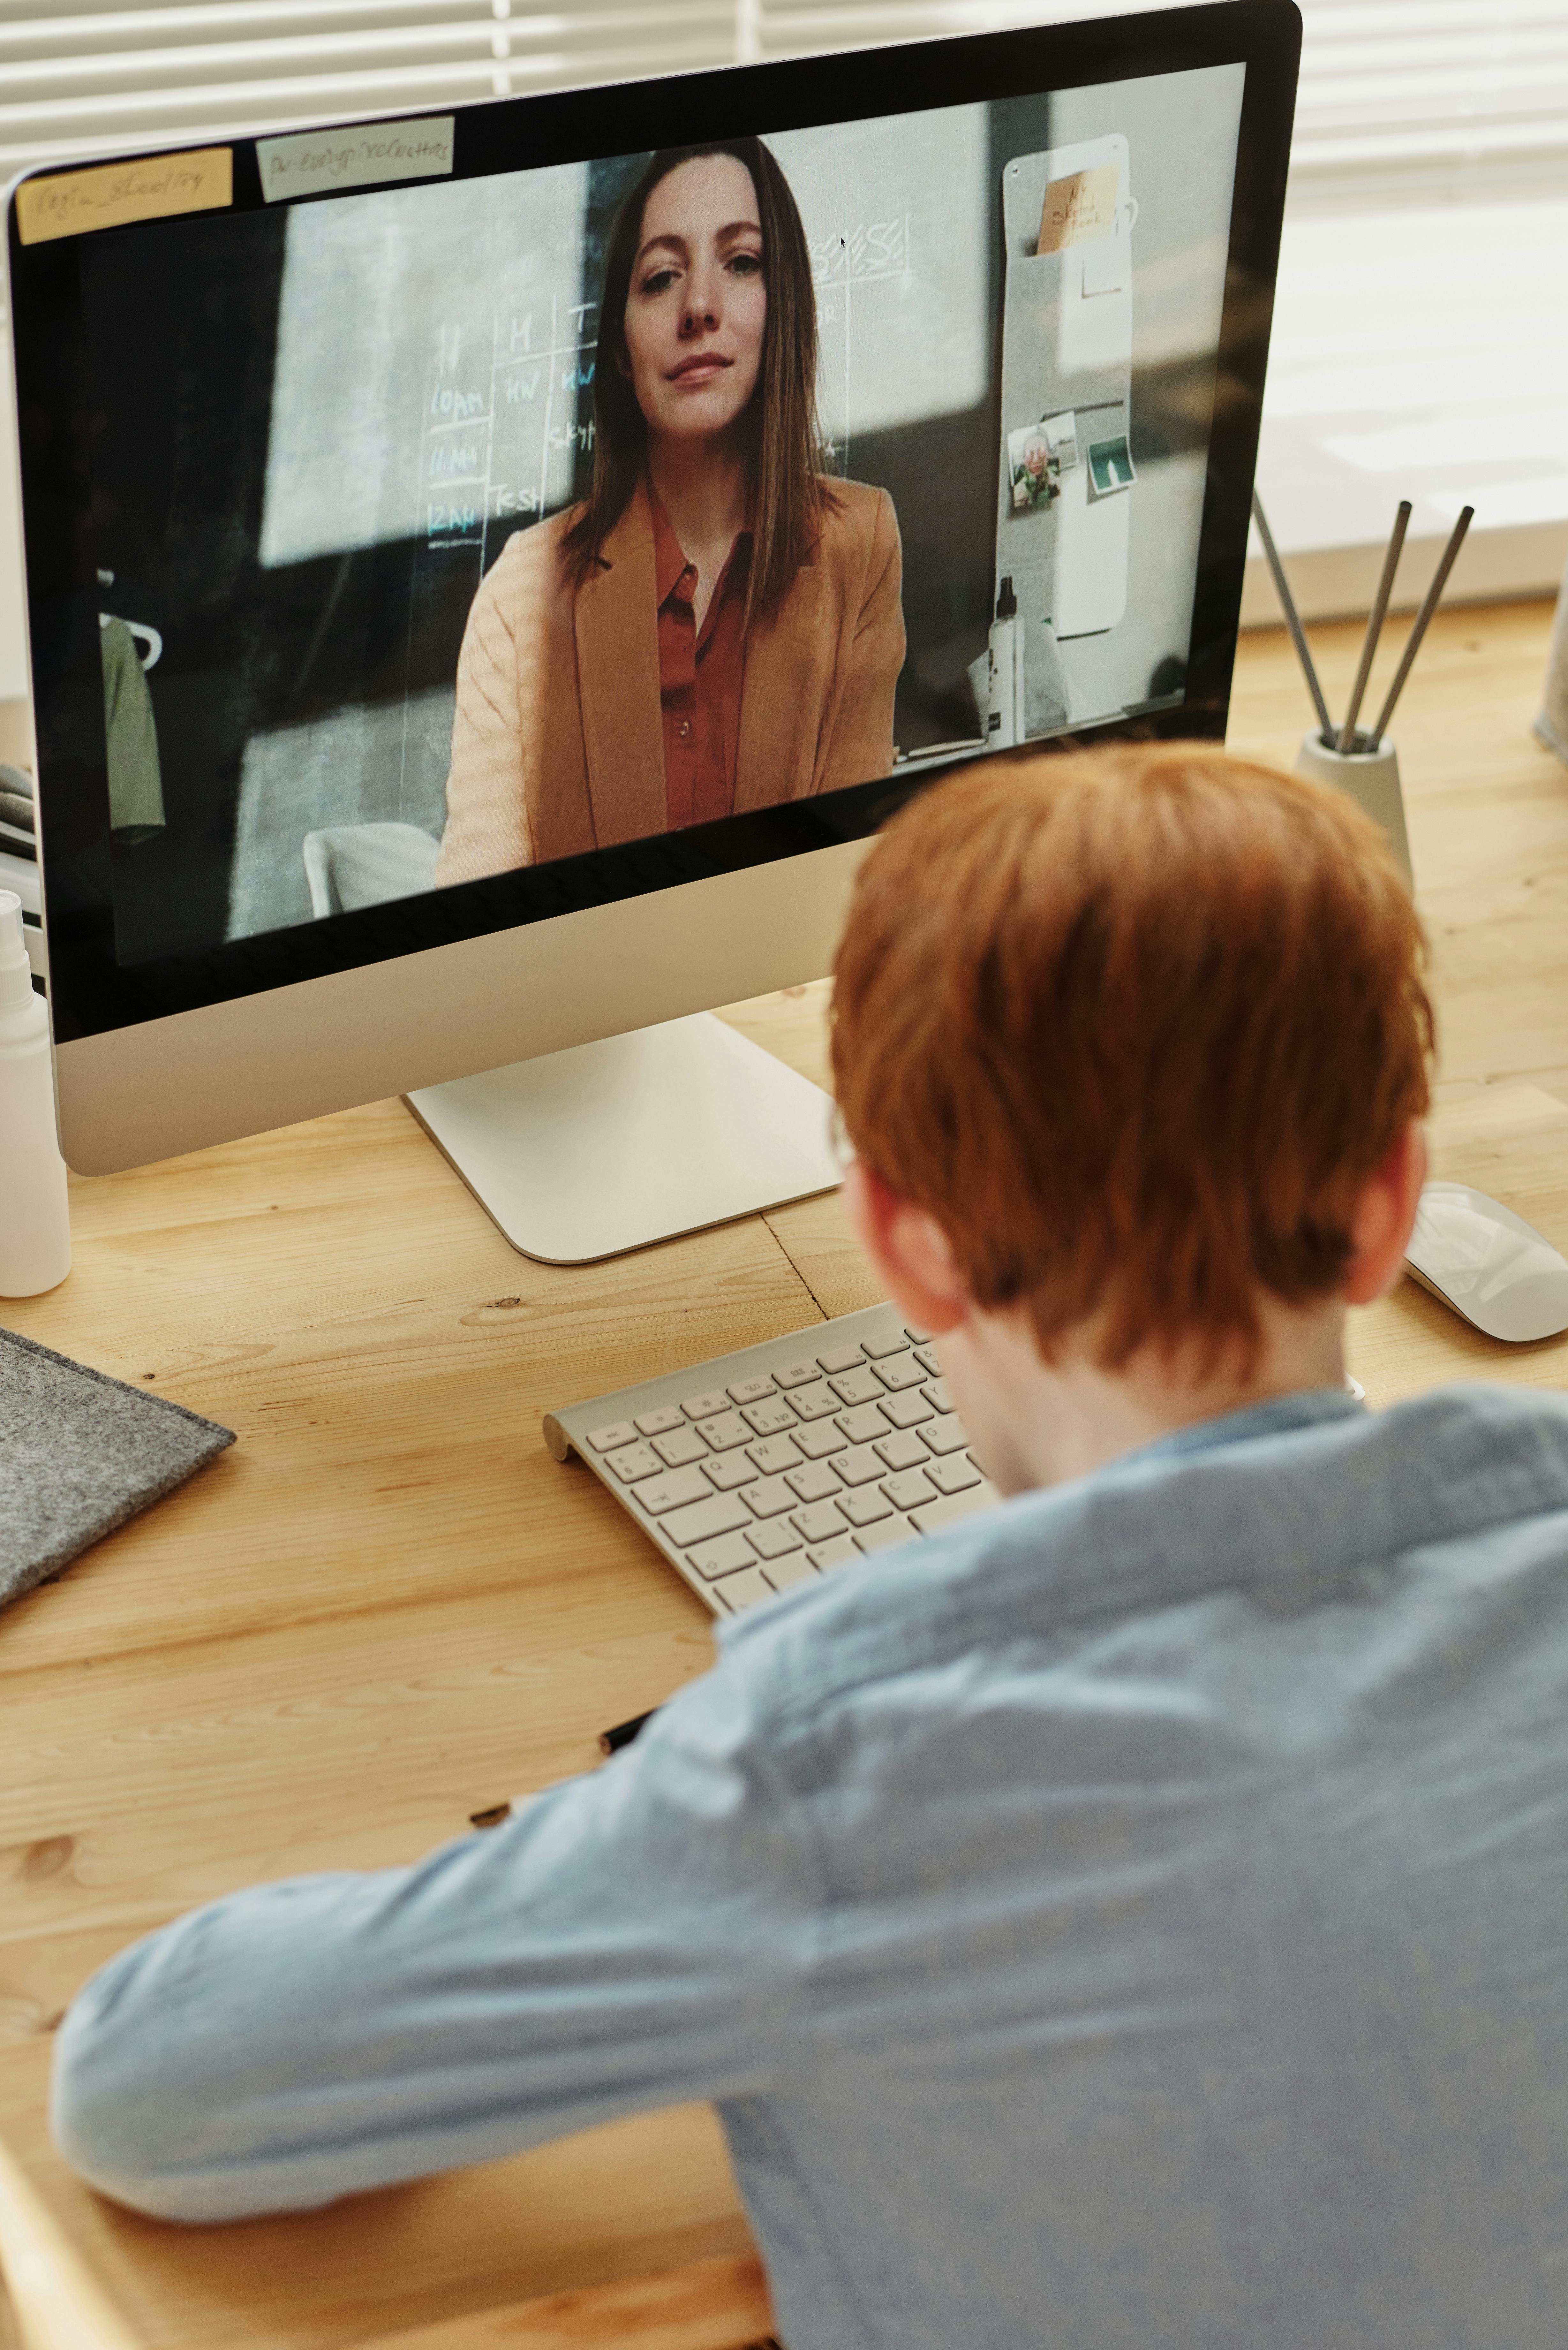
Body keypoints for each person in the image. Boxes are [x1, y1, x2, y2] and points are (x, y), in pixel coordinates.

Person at [51, 743, 1568, 2350]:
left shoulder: (826, 1777)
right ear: (1390, 1194)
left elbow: (149, 2088)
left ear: (901, 1237)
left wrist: (630, 1837)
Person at [435, 139, 905, 883]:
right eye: (660, 278)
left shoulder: (861, 542)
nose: (699, 309)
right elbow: (480, 919)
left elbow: (845, 885)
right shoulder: (519, 596)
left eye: (741, 263)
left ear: (782, 306)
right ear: (620, 349)